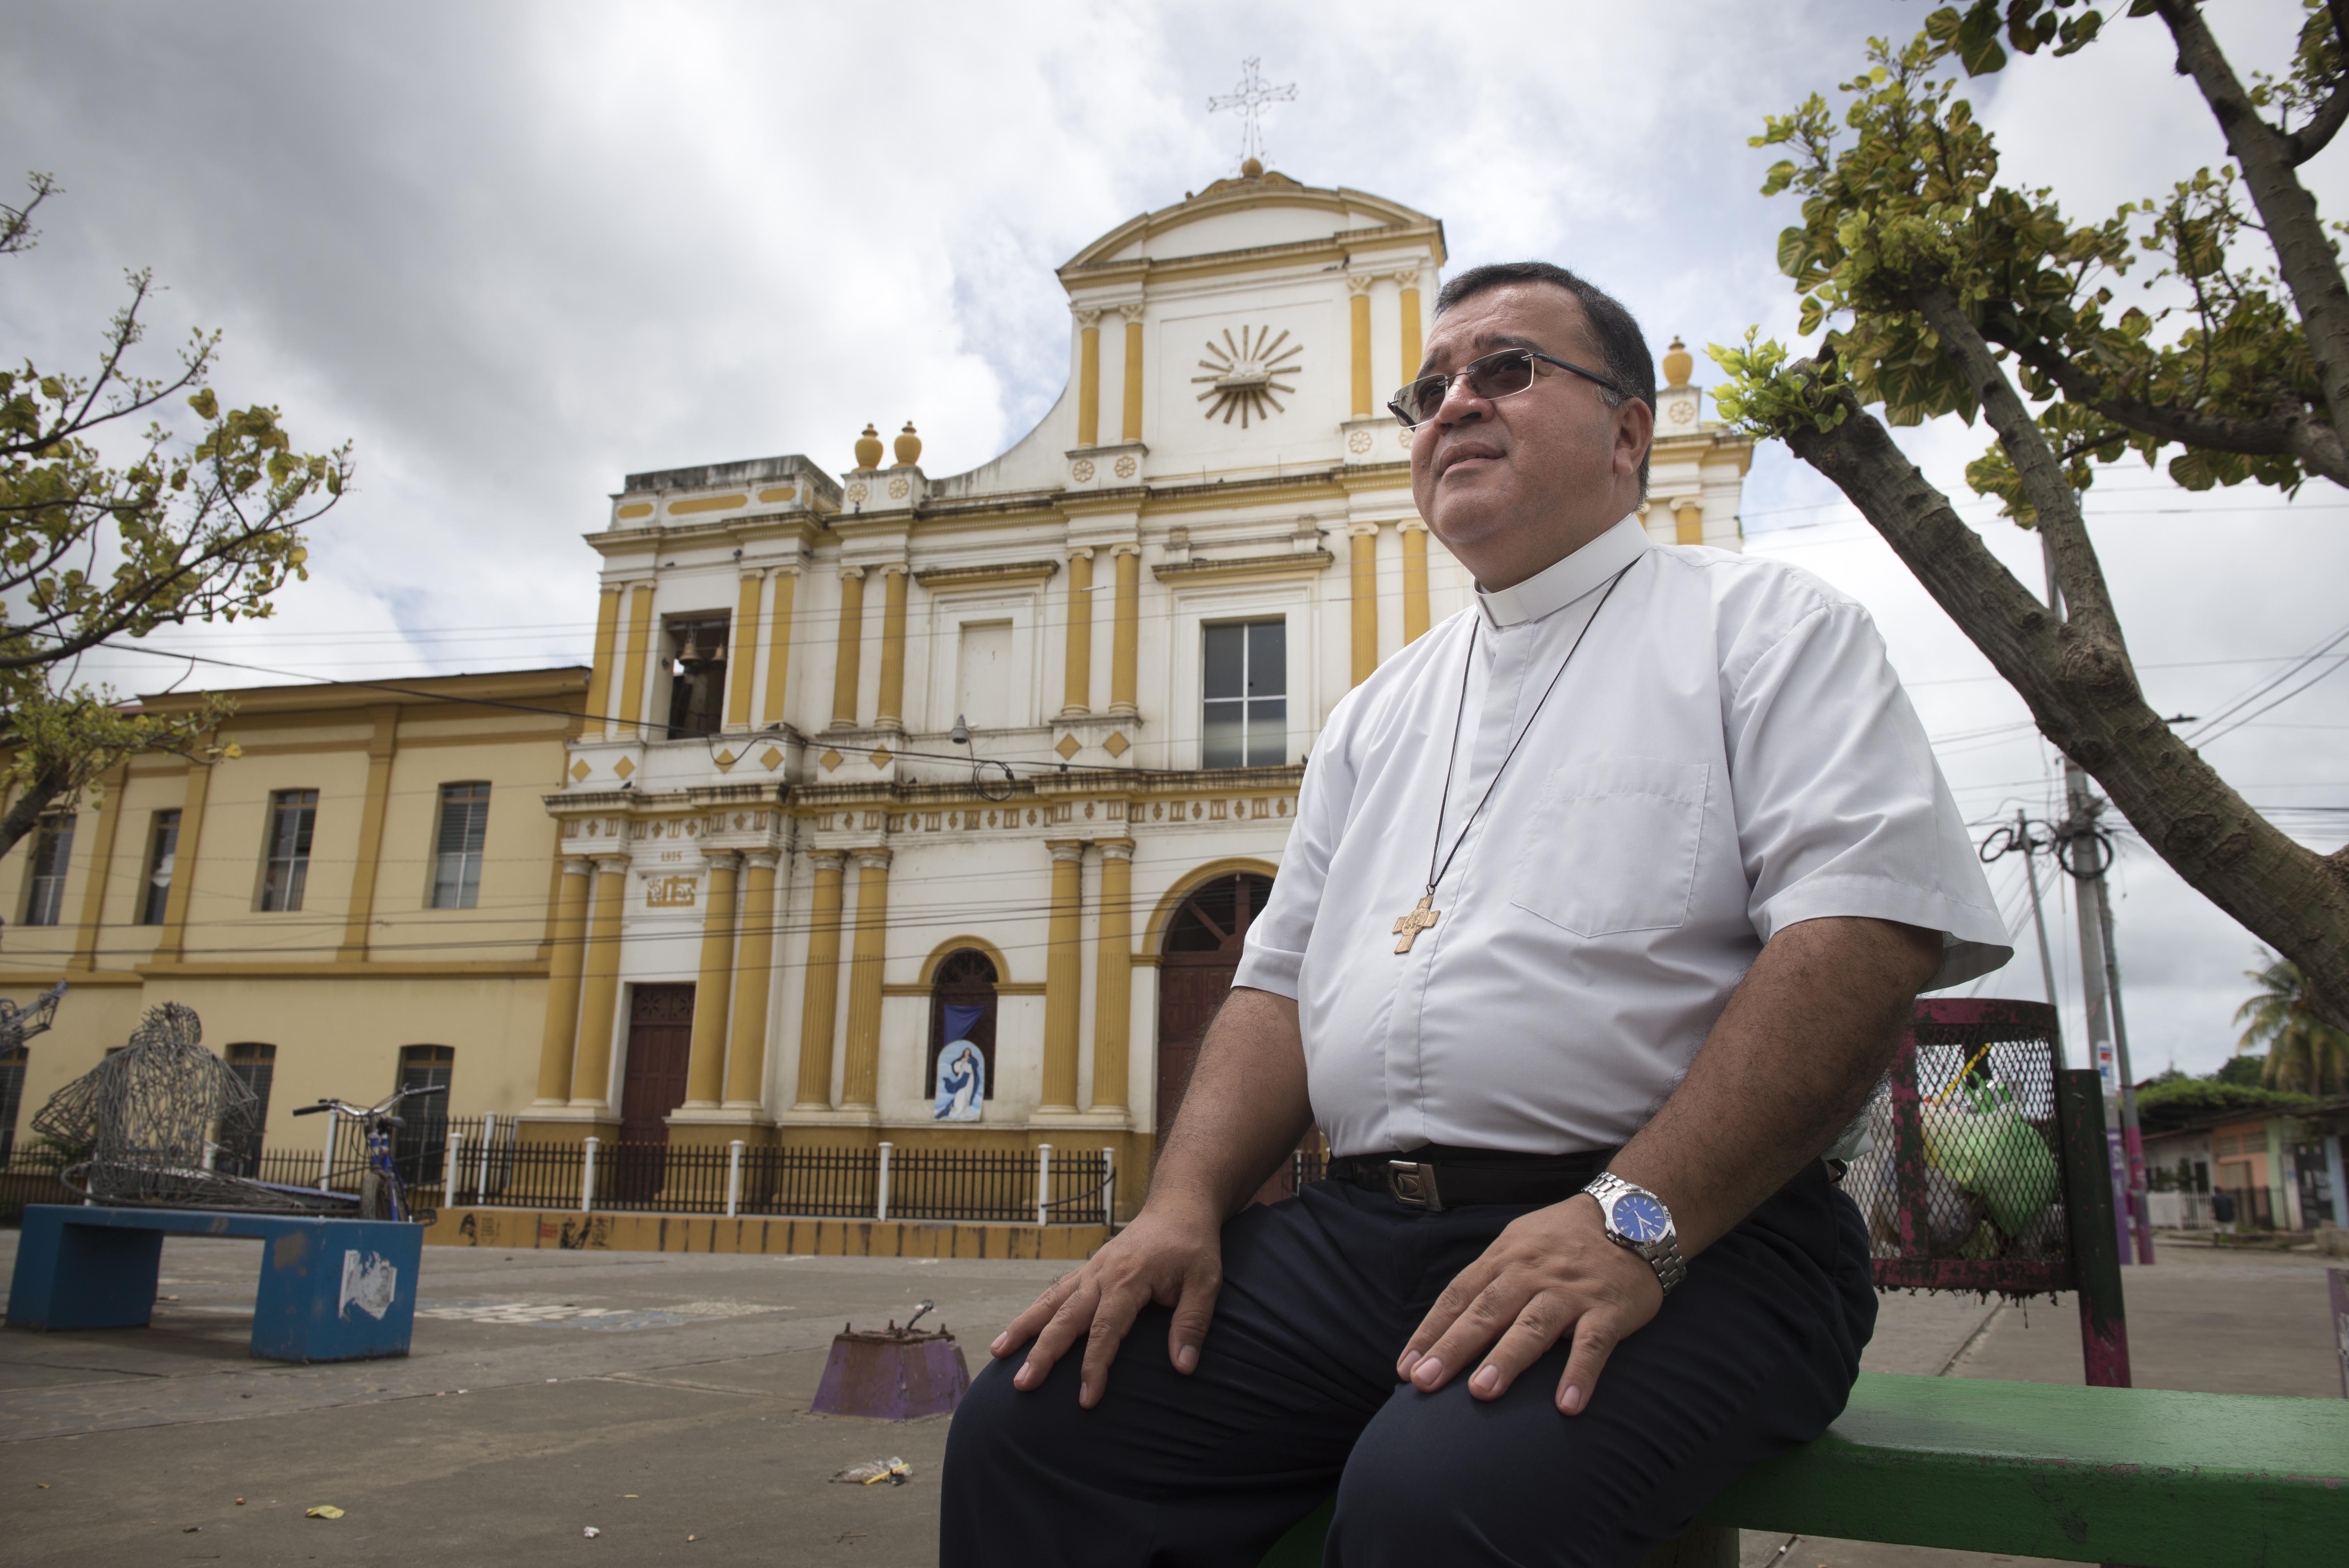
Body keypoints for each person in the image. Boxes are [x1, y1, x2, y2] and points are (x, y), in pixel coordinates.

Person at [939, 262, 2011, 1567]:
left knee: (1445, 1495)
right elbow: (1273, 990)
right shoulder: (1373, 715)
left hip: (1698, 1233)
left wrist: (1637, 1218)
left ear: (1630, 431)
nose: (1454, 405)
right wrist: (1180, 1207)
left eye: (1506, 369)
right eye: (1428, 389)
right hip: (1358, 1236)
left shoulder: (1764, 627)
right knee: (1038, 1422)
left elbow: (1861, 934)